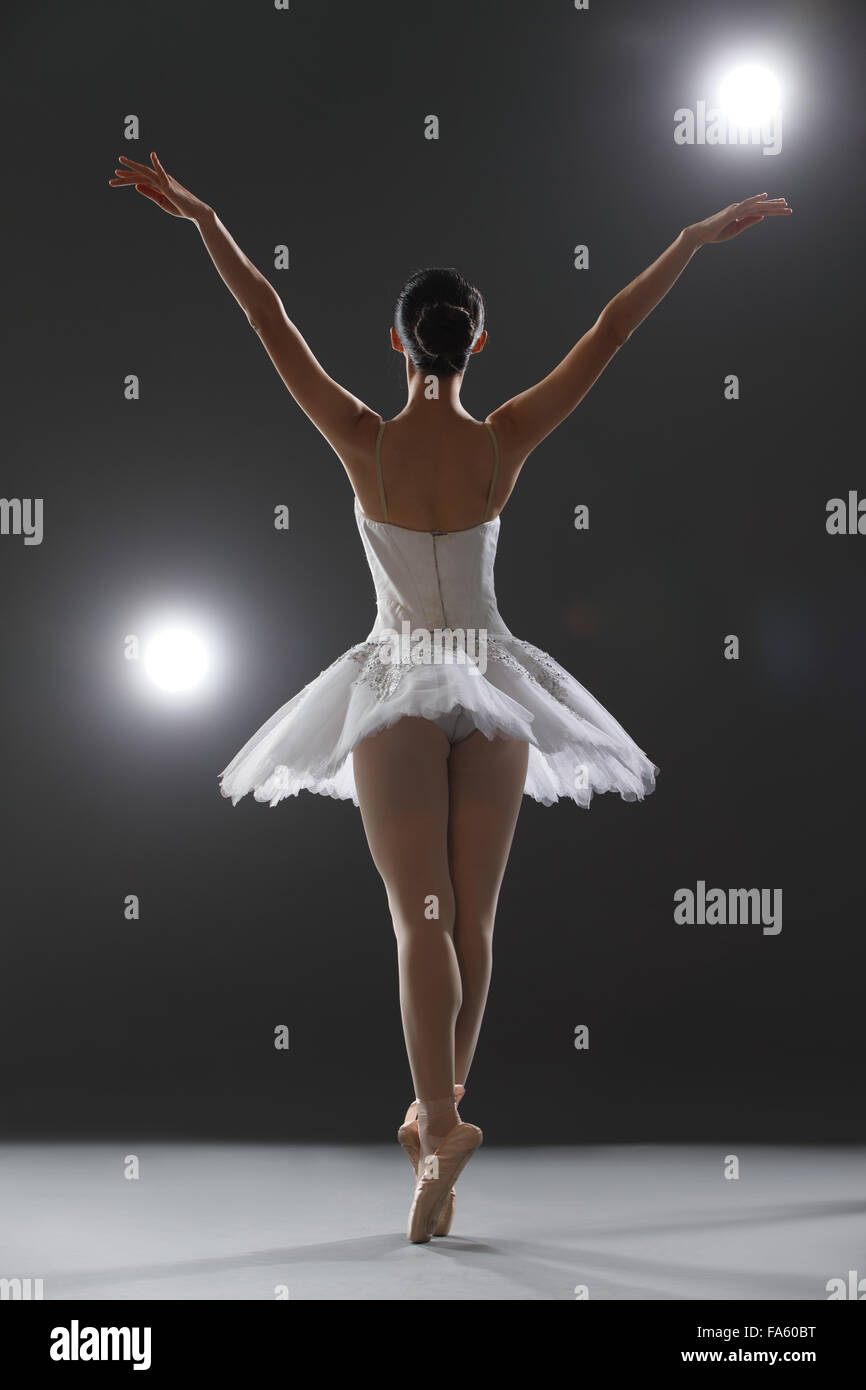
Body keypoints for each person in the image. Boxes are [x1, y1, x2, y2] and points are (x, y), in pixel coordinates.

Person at [110, 153, 791, 1242]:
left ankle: (435, 1123)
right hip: (493, 681)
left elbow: (264, 311)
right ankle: (443, 1122)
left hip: (392, 682)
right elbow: (610, 330)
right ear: (475, 341)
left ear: (396, 343)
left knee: (414, 916)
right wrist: (687, 242)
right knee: (470, 919)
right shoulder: (501, 440)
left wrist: (201, 214)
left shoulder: (363, 439)